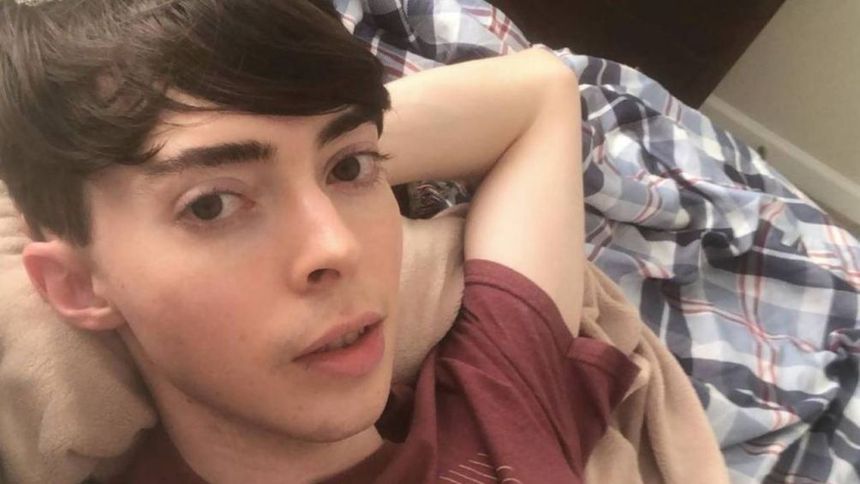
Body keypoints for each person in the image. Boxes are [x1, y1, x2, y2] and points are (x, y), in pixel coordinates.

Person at [0, 0, 649, 482]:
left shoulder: (496, 393)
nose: (338, 246)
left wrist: (308, 132)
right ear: (77, 285)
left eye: (351, 169)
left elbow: (541, 90)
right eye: (211, 205)